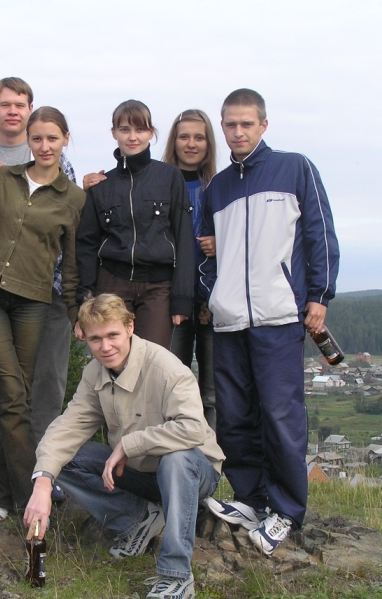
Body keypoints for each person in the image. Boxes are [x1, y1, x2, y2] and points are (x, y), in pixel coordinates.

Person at [199, 89, 339, 555]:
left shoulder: (294, 168)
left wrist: (318, 295)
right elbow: (206, 254)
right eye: (230, 124)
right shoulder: (217, 187)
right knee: (235, 416)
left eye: (246, 124)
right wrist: (214, 296)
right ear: (223, 126)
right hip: (229, 321)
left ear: (263, 124)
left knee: (281, 416)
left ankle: (286, 511)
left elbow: (319, 233)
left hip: (279, 315)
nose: (238, 132)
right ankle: (251, 499)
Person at [24, 294, 224, 599]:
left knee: (177, 459)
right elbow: (67, 428)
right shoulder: (95, 373)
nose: (105, 347)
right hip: (141, 474)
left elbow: (194, 429)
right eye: (95, 339)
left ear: (130, 327)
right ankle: (138, 520)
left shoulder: (166, 368)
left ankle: (177, 576)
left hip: (193, 473)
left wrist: (130, 445)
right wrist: (42, 484)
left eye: (113, 335)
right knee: (62, 458)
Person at [0, 106, 85, 522]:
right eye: (36, 138)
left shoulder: (74, 199)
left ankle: (2, 494)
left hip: (35, 301)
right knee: (9, 390)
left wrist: (74, 312)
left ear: (65, 140)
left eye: (52, 138)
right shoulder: (2, 179)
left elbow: (70, 265)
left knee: (20, 396)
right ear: (27, 140)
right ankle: (29, 498)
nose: (44, 146)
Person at [76, 100, 194, 350]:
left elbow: (184, 236)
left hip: (158, 287)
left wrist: (182, 298)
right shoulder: (102, 185)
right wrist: (84, 299)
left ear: (151, 133)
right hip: (112, 284)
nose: (132, 137)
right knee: (113, 355)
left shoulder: (170, 177)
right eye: (125, 129)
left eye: (140, 129)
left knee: (152, 357)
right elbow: (87, 245)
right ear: (114, 133)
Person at [162, 109, 218, 430]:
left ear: (209, 143)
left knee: (212, 391)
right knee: (170, 385)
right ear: (174, 141)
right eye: (184, 137)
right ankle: (172, 449)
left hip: (212, 300)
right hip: (171, 299)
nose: (191, 144)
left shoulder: (219, 186)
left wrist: (222, 242)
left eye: (199, 137)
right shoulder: (159, 184)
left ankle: (212, 454)